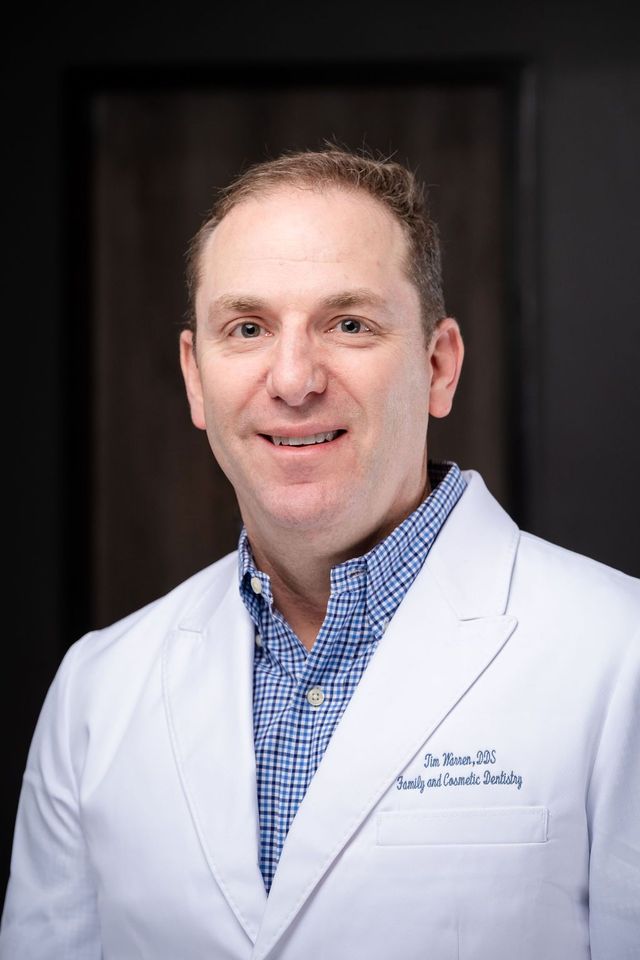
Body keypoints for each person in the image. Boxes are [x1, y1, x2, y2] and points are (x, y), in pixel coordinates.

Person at [1, 148, 638, 960]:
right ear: (197, 379)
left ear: (438, 366)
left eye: (349, 324)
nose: (294, 379)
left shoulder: (620, 654)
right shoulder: (97, 690)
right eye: (247, 328)